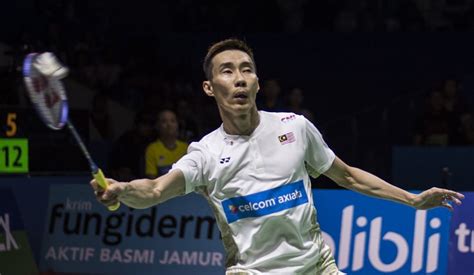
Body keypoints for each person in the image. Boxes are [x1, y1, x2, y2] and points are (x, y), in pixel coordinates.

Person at [91, 38, 464, 274]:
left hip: (318, 267)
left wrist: (412, 200)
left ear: (256, 82)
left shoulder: (295, 127)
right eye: (227, 71)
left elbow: (347, 176)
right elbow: (155, 190)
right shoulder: (205, 153)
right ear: (209, 87)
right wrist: (123, 190)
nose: (239, 78)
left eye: (246, 70)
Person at [144, 109, 188, 178]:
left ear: (177, 125)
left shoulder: (185, 148)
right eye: (164, 121)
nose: (169, 124)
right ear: (157, 126)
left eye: (172, 121)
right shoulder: (152, 149)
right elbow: (152, 178)